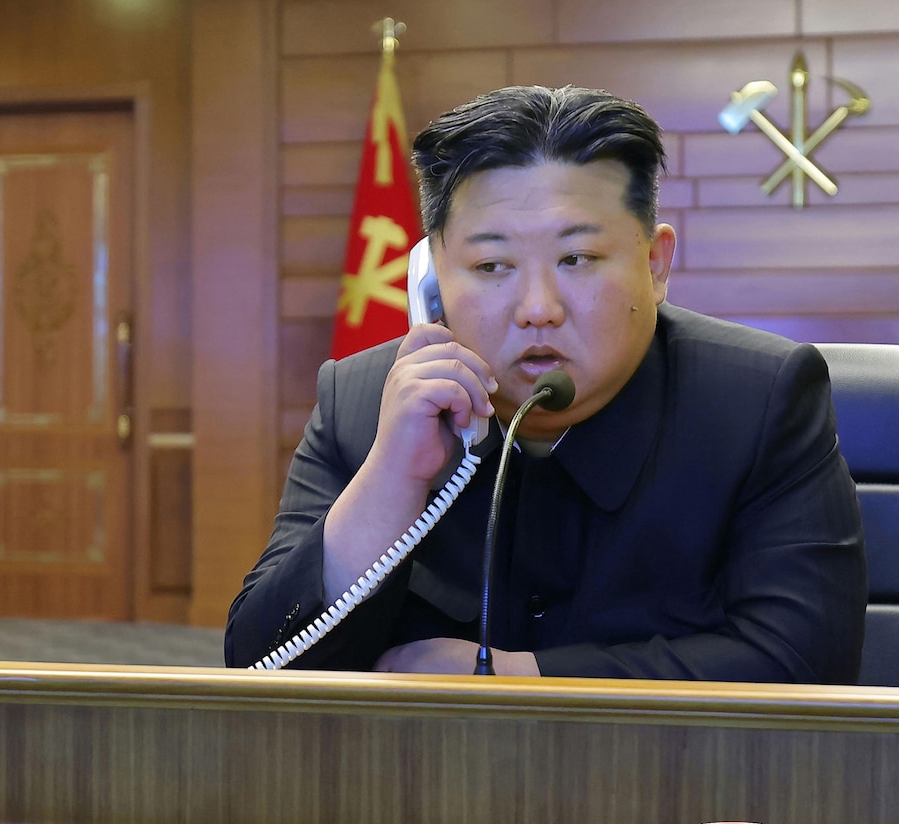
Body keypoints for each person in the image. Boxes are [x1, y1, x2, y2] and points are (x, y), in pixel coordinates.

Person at [226, 85, 866, 682]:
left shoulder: (758, 401)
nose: (538, 308)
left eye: (576, 259)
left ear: (654, 263)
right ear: (432, 279)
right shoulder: (362, 403)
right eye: (491, 265)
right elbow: (259, 667)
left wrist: (518, 676)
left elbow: (805, 659)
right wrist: (390, 483)